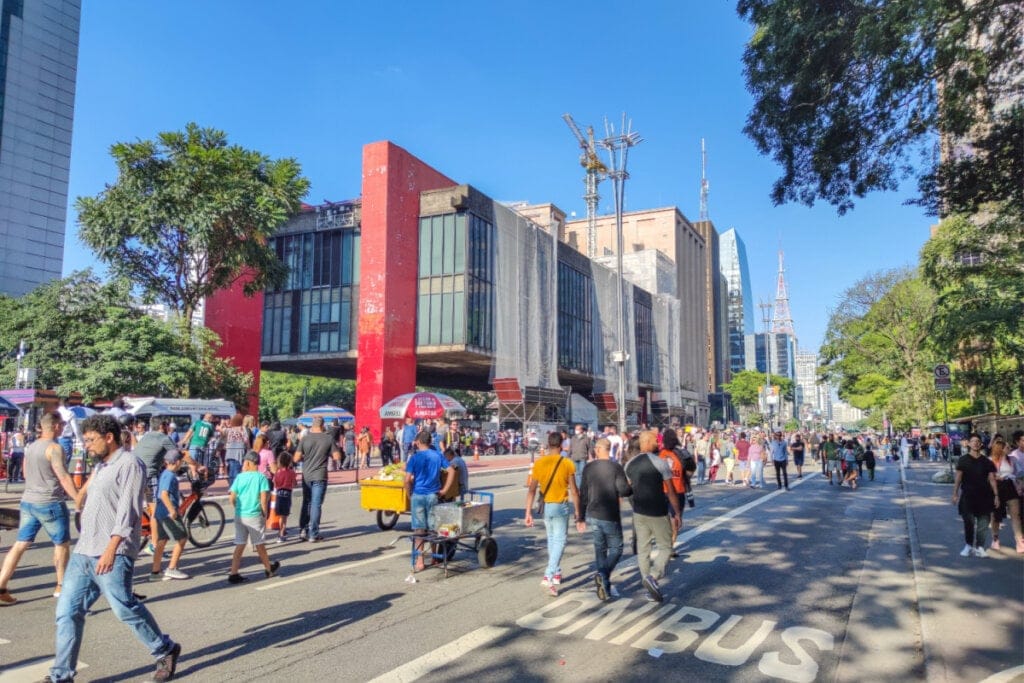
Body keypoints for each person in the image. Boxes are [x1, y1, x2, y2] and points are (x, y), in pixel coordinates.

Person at [49, 414, 181, 683]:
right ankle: (61, 676)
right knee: (67, 612)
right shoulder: (101, 467)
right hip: (84, 551)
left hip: (113, 551)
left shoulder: (130, 464)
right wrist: (79, 499)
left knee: (123, 608)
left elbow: (129, 510)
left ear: (108, 437)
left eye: (90, 440)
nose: (86, 445)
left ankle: (164, 649)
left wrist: (112, 548)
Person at [0, 414, 79, 605]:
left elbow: (26, 473)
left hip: (29, 501)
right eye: (61, 424)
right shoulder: (54, 448)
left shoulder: (31, 446)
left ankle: (1, 585)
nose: (62, 428)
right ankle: (61, 585)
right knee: (61, 544)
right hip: (50, 502)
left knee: (20, 544)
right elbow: (63, 476)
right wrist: (79, 499)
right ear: (54, 426)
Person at [624, 430, 681, 603]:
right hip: (658, 511)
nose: (658, 443)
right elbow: (671, 491)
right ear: (647, 442)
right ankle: (653, 577)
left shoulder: (629, 465)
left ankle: (648, 583)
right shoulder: (660, 463)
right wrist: (676, 513)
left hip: (639, 512)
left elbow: (628, 489)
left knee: (643, 549)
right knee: (665, 547)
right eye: (655, 440)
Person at [524, 432, 583, 596]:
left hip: (546, 506)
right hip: (561, 506)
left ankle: (556, 572)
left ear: (548, 445)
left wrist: (527, 512)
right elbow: (574, 491)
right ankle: (548, 575)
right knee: (560, 540)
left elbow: (531, 490)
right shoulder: (567, 463)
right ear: (562, 445)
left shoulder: (539, 463)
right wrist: (578, 512)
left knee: (552, 539)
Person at [579, 437, 631, 601]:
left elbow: (583, 494)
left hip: (593, 513)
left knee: (600, 549)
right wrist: (630, 486)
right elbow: (623, 491)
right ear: (609, 449)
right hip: (610, 513)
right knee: (617, 548)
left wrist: (580, 516)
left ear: (598, 449)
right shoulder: (616, 467)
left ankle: (605, 585)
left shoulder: (589, 468)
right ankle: (603, 575)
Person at [405, 432, 456, 572]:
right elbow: (451, 471)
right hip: (433, 495)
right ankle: (434, 557)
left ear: (419, 442)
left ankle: (420, 561)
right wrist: (445, 490)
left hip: (418, 495)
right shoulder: (438, 455)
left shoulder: (414, 458)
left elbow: (407, 480)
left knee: (419, 529)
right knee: (433, 527)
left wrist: (409, 495)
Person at [227, 451, 280, 583]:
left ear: (249, 463)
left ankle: (233, 572)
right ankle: (269, 569)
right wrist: (264, 512)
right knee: (259, 543)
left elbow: (232, 497)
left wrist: (236, 507)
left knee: (240, 544)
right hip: (254, 514)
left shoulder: (240, 477)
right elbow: (263, 497)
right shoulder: (261, 478)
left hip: (240, 514)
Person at [293, 416, 341, 542]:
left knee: (306, 502)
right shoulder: (328, 438)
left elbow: (296, 458)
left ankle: (303, 530)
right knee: (316, 504)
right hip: (320, 474)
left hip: (306, 474)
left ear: (312, 425)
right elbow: (336, 457)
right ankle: (313, 534)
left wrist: (306, 457)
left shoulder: (305, 438)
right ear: (322, 425)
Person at [953, 434, 999, 557]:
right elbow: (958, 478)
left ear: (981, 444)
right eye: (973, 441)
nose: (975, 443)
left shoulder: (987, 461)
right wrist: (955, 494)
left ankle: (980, 547)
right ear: (968, 444)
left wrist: (996, 495)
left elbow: (992, 479)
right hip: (968, 496)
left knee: (983, 523)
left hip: (985, 496)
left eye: (978, 441)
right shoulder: (963, 460)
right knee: (969, 522)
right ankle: (968, 545)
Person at [148, 450, 190, 581]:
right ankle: (172, 568)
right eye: (181, 461)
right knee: (182, 538)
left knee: (161, 541)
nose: (181, 464)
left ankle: (155, 572)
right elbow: (164, 494)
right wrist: (172, 510)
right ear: (177, 462)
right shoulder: (170, 476)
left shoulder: (165, 474)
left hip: (160, 512)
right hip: (167, 513)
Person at [988, 434, 1024, 553]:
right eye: (1007, 447)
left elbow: (1019, 473)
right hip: (996, 489)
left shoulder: (1012, 459)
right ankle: (995, 539)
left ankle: (1019, 541)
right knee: (996, 516)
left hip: (1010, 487)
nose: (1009, 449)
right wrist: (995, 477)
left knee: (1016, 515)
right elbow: (987, 477)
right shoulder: (991, 460)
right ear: (1000, 449)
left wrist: (1018, 481)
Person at [658, 430, 688, 556]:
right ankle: (670, 545)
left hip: (662, 490)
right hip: (678, 490)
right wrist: (684, 477)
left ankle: (666, 544)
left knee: (664, 519)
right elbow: (691, 468)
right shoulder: (681, 453)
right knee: (676, 518)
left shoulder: (660, 454)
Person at [272, 451, 297, 543]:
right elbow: (294, 483)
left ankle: (281, 531)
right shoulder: (291, 472)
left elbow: (275, 483)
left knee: (280, 515)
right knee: (285, 515)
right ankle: (282, 532)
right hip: (287, 493)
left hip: (279, 494)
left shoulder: (278, 472)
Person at [221, 414, 251, 486]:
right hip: (238, 452)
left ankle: (231, 486)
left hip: (230, 452)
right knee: (237, 470)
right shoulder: (242, 429)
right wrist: (249, 449)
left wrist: (222, 424)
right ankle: (234, 487)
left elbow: (222, 433)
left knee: (231, 470)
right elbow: (246, 440)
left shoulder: (230, 430)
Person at [569, 424, 592, 488]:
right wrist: (568, 456)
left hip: (583, 457)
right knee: (577, 473)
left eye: (577, 429)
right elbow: (570, 448)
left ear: (581, 430)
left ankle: (583, 486)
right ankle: (578, 487)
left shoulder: (586, 438)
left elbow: (590, 447)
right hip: (574, 457)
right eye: (575, 429)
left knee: (582, 472)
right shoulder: (573, 438)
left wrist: (591, 455)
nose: (576, 430)